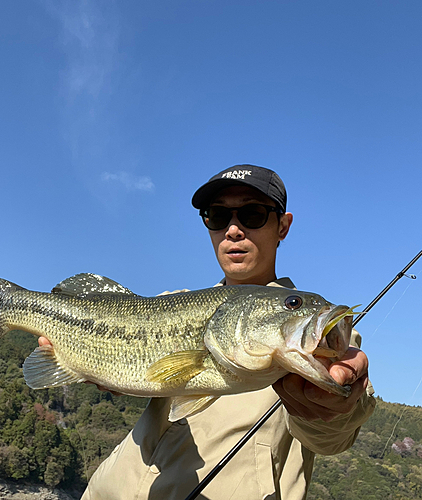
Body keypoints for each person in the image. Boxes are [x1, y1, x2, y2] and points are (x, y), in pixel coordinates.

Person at [44, 164, 375, 499]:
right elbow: (134, 372)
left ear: (283, 226)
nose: (233, 230)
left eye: (252, 214)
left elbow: (332, 436)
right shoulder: (169, 303)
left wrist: (335, 408)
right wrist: (95, 368)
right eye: (217, 216)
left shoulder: (320, 340)